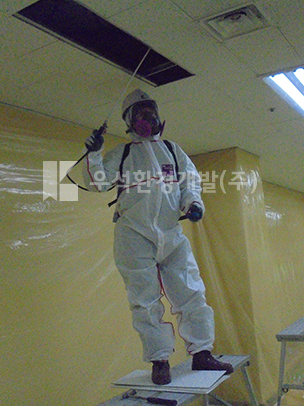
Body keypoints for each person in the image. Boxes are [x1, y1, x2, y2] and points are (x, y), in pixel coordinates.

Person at [82, 88, 233, 385]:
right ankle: (159, 360)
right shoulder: (124, 154)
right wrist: (94, 153)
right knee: (144, 300)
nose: (148, 118)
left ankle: (202, 353)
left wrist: (193, 204)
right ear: (129, 120)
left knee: (192, 291)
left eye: (151, 112)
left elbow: (190, 182)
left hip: (171, 234)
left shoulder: (173, 151)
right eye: (140, 114)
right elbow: (97, 182)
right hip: (134, 235)